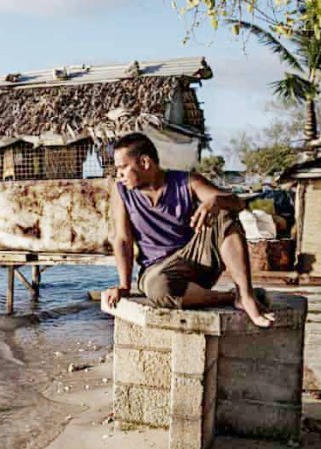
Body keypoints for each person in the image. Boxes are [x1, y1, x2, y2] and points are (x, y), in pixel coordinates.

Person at [104, 133, 274, 328]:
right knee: (158, 288)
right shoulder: (122, 192)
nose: (119, 174)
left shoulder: (187, 182)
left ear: (144, 162)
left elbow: (237, 204)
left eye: (123, 167)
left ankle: (245, 294)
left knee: (224, 214)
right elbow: (123, 239)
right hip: (157, 272)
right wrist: (124, 286)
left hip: (195, 262)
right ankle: (229, 297)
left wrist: (216, 201)